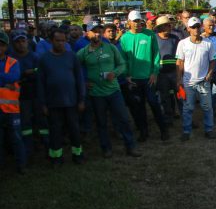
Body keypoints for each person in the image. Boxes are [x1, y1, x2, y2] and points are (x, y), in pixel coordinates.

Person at [77, 21, 140, 158]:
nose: (98, 34)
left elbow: (122, 64)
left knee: (123, 119)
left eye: (100, 31)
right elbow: (74, 69)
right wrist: (83, 82)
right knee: (101, 122)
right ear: (87, 34)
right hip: (96, 93)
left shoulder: (110, 48)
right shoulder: (83, 52)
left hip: (114, 91)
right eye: (94, 31)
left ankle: (130, 146)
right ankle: (106, 148)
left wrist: (115, 73)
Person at [37, 28, 86, 166]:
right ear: (51, 41)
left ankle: (78, 154)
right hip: (53, 103)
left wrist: (81, 99)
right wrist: (43, 104)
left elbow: (79, 79)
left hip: (71, 101)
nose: (61, 43)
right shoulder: (44, 59)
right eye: (58, 41)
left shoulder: (72, 57)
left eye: (63, 41)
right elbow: (40, 84)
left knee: (74, 129)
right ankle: (56, 157)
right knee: (55, 131)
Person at [119, 10, 169, 142]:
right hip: (134, 79)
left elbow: (156, 55)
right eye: (134, 21)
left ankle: (163, 130)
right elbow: (123, 59)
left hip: (148, 78)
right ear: (129, 22)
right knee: (138, 106)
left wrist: (154, 72)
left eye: (139, 21)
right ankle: (143, 132)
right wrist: (127, 75)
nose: (137, 24)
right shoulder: (124, 38)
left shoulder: (150, 35)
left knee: (154, 103)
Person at [176, 17, 216, 141]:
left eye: (198, 26)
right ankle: (186, 131)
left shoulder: (208, 43)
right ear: (188, 29)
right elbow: (179, 62)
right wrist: (179, 80)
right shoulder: (182, 43)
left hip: (204, 82)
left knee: (207, 107)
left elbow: (213, 60)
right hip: (188, 82)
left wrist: (209, 73)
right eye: (193, 27)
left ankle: (209, 129)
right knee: (188, 108)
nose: (196, 29)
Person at [11, 29, 48, 158]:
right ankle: (28, 148)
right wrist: (25, 73)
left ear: (27, 41)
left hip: (37, 94)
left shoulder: (35, 57)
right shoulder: (11, 59)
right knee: (25, 124)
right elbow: (12, 77)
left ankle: (47, 144)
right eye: (18, 42)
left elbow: (40, 73)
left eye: (23, 41)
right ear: (13, 44)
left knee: (42, 121)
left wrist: (30, 73)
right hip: (21, 97)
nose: (21, 44)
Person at [0, 31, 26, 173]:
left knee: (16, 138)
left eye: (2, 45)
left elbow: (13, 77)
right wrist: (5, 80)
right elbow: (7, 78)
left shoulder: (13, 62)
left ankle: (21, 166)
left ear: (6, 47)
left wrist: (5, 80)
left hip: (11, 109)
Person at [155, 15, 181, 126]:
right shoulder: (154, 39)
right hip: (161, 74)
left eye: (170, 24)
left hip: (174, 73)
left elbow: (180, 55)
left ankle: (186, 117)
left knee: (180, 96)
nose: (170, 26)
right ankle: (168, 119)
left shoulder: (175, 39)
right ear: (160, 27)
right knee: (164, 97)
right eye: (167, 25)